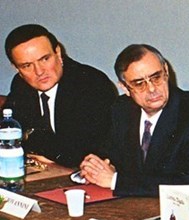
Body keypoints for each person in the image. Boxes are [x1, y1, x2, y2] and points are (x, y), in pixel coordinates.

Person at [80, 44, 189, 197]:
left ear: (166, 71)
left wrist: (116, 180)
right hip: (129, 206)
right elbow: (109, 154)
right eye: (139, 83)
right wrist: (94, 167)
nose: (152, 89)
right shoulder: (121, 109)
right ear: (125, 88)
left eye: (156, 77)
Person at [4, 24, 116, 167]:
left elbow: (81, 154)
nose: (39, 71)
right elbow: (7, 131)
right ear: (16, 68)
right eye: (27, 66)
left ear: (58, 52)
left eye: (44, 59)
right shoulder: (21, 84)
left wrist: (31, 139)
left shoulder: (91, 83)